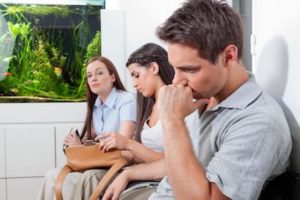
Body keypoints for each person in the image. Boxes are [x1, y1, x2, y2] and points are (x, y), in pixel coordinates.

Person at [104, 0, 292, 200]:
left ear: (228, 56)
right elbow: (177, 162)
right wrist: (129, 173)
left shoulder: (259, 121)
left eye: (189, 69)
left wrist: (172, 120)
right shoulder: (204, 97)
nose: (176, 81)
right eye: (175, 68)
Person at [37, 55, 137, 200]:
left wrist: (82, 148)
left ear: (113, 77)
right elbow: (93, 142)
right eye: (89, 76)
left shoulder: (126, 100)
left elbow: (123, 144)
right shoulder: (95, 107)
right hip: (101, 163)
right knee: (52, 175)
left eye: (99, 73)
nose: (93, 78)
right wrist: (77, 145)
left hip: (120, 164)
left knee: (88, 176)